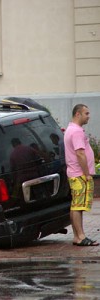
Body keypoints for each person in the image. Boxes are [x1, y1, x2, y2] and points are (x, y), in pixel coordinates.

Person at [64, 104, 98, 246]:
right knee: (78, 206)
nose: (88, 116)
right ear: (78, 114)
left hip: (74, 173)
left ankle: (77, 236)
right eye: (86, 113)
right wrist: (87, 174)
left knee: (76, 206)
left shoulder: (70, 129)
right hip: (79, 175)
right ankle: (81, 236)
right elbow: (80, 153)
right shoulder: (76, 132)